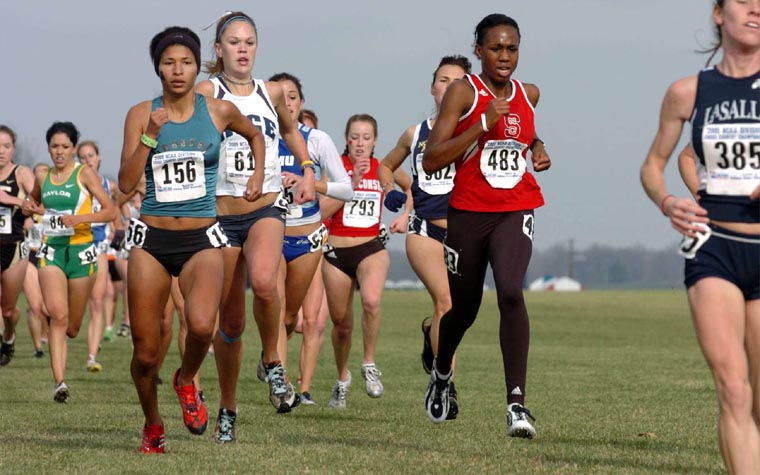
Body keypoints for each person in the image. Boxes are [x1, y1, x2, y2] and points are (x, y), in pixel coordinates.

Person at [118, 25, 266, 454]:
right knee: (146, 354)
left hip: (202, 237)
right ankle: (152, 425)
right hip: (152, 241)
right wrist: (149, 134)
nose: (177, 70)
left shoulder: (218, 111)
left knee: (203, 326)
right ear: (158, 69)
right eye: (168, 63)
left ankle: (186, 379)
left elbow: (255, 134)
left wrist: (257, 173)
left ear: (196, 64)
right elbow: (127, 183)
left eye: (185, 62)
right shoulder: (139, 113)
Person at [640, 1, 760, 471]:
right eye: (745, 1)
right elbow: (653, 164)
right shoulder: (687, 92)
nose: (755, 10)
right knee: (733, 388)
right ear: (718, 14)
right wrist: (669, 202)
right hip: (714, 249)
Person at [421, 14, 551, 438]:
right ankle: (442, 373)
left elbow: (523, 127)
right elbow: (433, 158)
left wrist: (538, 146)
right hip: (468, 213)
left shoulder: (528, 93)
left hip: (516, 207)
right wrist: (479, 125)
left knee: (511, 290)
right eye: (495, 48)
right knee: (464, 310)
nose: (504, 56)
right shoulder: (463, 92)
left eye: (512, 48)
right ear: (478, 51)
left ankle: (517, 405)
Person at [196, 11, 315, 443]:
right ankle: (228, 408)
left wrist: (305, 168)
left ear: (256, 47)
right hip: (221, 213)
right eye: (234, 42)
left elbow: (291, 132)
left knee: (266, 282)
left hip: (264, 206)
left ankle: (273, 363)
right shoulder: (207, 91)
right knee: (228, 321)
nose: (242, 49)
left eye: (249, 42)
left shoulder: (272, 90)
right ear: (219, 49)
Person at [378, 55, 471, 418]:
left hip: (466, 233)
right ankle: (445, 385)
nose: (449, 87)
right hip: (425, 230)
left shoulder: (477, 131)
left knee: (456, 313)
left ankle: (432, 333)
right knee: (446, 302)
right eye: (443, 80)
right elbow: (386, 165)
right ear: (433, 89)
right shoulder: (415, 134)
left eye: (458, 81)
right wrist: (391, 191)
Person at [269, 72, 353, 406]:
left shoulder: (317, 140)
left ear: (300, 103)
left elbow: (346, 188)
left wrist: (311, 184)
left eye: (292, 96)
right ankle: (282, 386)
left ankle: (272, 355)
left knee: (291, 317)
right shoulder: (257, 138)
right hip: (271, 234)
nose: (286, 102)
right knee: (274, 309)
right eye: (279, 96)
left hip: (307, 238)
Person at [22, 121, 116, 402]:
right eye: (54, 147)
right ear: (49, 148)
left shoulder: (84, 174)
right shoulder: (44, 177)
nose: (59, 152)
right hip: (51, 250)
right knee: (58, 316)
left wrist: (81, 219)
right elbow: (37, 204)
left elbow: (111, 211)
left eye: (65, 147)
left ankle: (65, 333)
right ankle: (59, 382)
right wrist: (30, 206)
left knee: (72, 326)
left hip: (81, 251)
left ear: (74, 148)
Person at [320, 113, 396, 409]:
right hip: (337, 253)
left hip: (370, 248)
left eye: (367, 137)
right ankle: (342, 379)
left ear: (375, 141)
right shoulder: (333, 169)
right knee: (341, 326)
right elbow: (321, 210)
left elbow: (411, 187)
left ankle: (368, 362)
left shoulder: (382, 168)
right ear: (346, 140)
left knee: (372, 301)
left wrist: (403, 214)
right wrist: (350, 183)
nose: (360, 144)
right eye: (355, 137)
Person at [76, 140, 116, 372]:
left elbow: (116, 208)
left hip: (98, 245)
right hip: (74, 244)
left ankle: (91, 356)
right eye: (82, 157)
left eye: (90, 156)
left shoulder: (107, 185)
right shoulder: (73, 182)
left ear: (99, 157)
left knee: (97, 300)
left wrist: (115, 230)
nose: (87, 160)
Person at [0, 125, 36, 366]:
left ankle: (9, 336)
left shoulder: (21, 173)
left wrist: (10, 199)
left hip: (14, 246)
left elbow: (37, 205)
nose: (1, 151)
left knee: (8, 310)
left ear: (13, 148)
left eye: (6, 146)